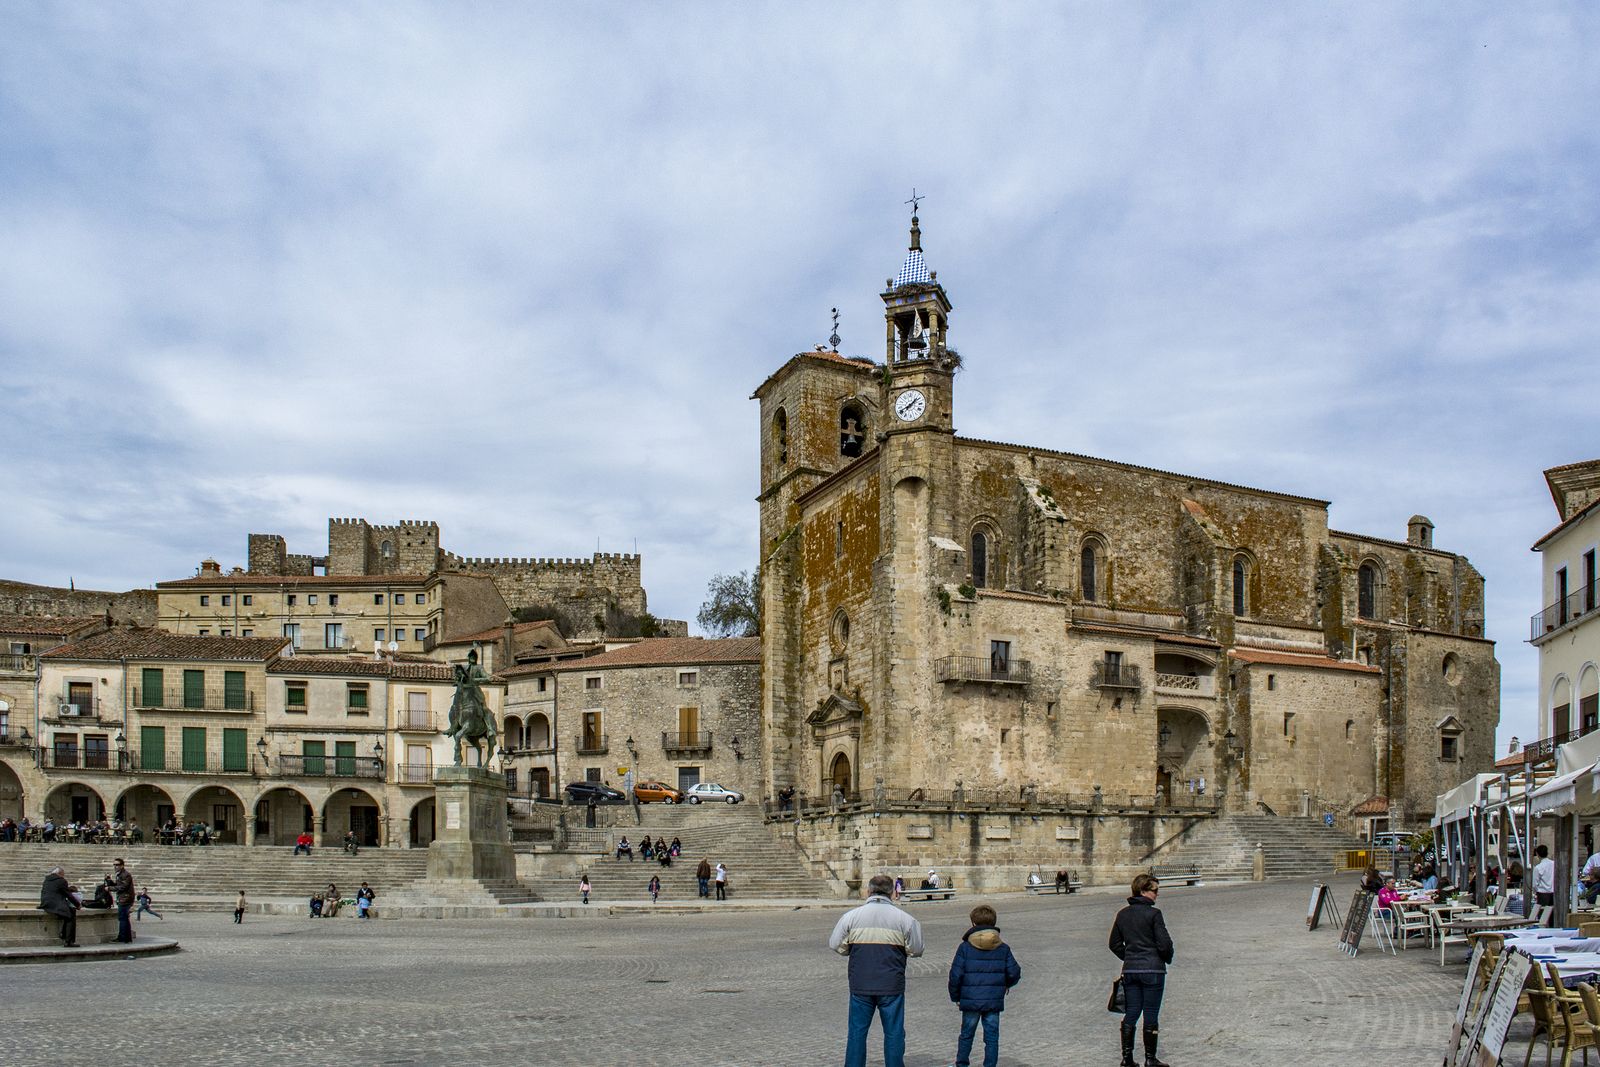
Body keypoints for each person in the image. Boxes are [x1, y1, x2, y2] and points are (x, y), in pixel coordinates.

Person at [828, 872, 925, 1067]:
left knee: (857, 1032)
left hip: (861, 982)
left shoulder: (851, 917)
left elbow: (835, 944)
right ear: (892, 893)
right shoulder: (906, 919)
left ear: (868, 892)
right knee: (894, 1032)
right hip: (891, 984)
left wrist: (850, 949)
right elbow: (916, 949)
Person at [1110, 873, 1175, 1067]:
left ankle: (1127, 1058)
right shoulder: (1154, 914)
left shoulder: (1123, 914)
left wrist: (1130, 957)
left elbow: (1114, 944)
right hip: (1153, 971)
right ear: (1143, 891)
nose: (1157, 894)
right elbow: (1164, 944)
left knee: (1132, 1012)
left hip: (1131, 971)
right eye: (1155, 890)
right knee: (1151, 1013)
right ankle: (1150, 1058)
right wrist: (1165, 958)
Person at [947, 903, 1022, 1067]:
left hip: (970, 999)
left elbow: (955, 975)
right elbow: (1014, 972)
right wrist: (1006, 985)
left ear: (973, 923)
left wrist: (956, 997)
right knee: (992, 1037)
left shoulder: (965, 947)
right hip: (993, 1000)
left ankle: (962, 1063)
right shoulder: (1003, 948)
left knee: (966, 1034)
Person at [40, 866, 80, 947]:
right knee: (71, 914)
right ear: (60, 874)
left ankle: (63, 934)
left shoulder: (46, 880)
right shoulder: (61, 881)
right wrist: (77, 904)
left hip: (45, 903)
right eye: (63, 874)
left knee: (67, 913)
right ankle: (68, 941)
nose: (63, 876)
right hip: (55, 904)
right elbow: (68, 895)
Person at [111, 857, 135, 943]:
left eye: (117, 865)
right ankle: (127, 938)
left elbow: (122, 887)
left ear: (122, 866)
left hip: (125, 899)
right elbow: (119, 885)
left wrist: (110, 888)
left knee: (123, 919)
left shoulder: (125, 874)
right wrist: (110, 882)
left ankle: (122, 937)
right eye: (114, 865)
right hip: (123, 898)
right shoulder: (120, 874)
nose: (115, 866)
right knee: (124, 918)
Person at [1534, 845, 1556, 913]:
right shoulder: (1554, 864)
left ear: (1537, 854)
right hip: (1553, 892)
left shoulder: (1538, 867)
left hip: (1542, 893)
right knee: (1553, 914)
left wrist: (1536, 891)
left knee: (1543, 915)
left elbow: (1534, 883)